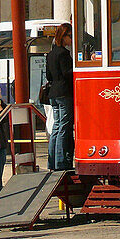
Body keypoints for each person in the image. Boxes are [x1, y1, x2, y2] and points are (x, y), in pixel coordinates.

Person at [46, 22, 74, 171]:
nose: (71, 39)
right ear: (63, 37)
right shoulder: (63, 54)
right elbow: (67, 73)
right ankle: (61, 162)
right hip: (64, 92)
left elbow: (49, 75)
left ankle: (52, 162)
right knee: (64, 126)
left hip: (53, 93)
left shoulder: (51, 54)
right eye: (70, 36)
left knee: (56, 127)